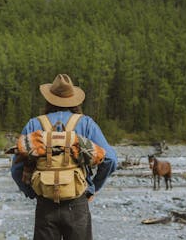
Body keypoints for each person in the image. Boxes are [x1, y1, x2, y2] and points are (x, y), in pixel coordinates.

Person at [11, 74, 117, 240]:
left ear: (49, 99)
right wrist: (92, 188)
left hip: (45, 203)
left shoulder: (34, 124)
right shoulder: (86, 123)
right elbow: (111, 160)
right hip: (77, 203)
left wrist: (32, 192)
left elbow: (16, 169)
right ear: (73, 100)